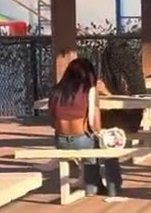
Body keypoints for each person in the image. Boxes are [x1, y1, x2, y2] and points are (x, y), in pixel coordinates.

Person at [49, 57, 125, 200]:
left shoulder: (55, 91)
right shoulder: (89, 91)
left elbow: (52, 123)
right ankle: (113, 188)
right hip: (82, 140)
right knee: (108, 145)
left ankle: (92, 186)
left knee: (92, 143)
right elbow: (95, 125)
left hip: (61, 141)